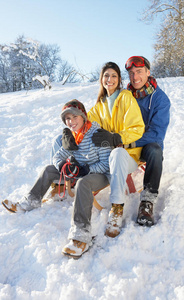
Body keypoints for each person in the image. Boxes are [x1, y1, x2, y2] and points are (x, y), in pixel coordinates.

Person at [2, 99, 111, 258]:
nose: (71, 122)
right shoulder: (73, 136)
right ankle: (30, 201)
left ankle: (81, 236)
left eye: (74, 117)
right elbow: (59, 156)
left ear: (83, 116)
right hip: (80, 172)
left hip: (100, 174)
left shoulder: (96, 134)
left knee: (82, 183)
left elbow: (106, 163)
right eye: (67, 119)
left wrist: (85, 169)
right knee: (48, 170)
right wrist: (63, 167)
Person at [63, 62, 145, 240]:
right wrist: (68, 134)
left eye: (114, 76)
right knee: (64, 142)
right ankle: (59, 178)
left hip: (127, 156)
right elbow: (83, 123)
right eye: (106, 76)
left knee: (117, 153)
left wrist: (116, 138)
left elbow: (138, 128)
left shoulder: (126, 97)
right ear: (101, 79)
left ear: (119, 79)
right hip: (105, 159)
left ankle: (117, 207)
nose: (110, 79)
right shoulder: (99, 105)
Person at [123, 56, 170, 226]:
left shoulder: (160, 99)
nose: (135, 77)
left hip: (145, 147)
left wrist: (129, 143)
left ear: (148, 73)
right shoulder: (124, 96)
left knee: (155, 150)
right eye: (131, 73)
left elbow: (157, 134)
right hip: (125, 145)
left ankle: (147, 202)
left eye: (139, 72)